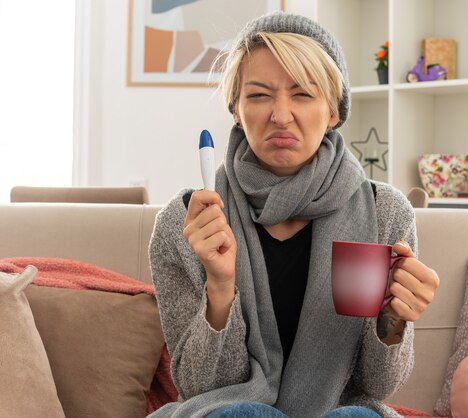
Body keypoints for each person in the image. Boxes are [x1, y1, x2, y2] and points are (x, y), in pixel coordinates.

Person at [148, 11, 440, 418]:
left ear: (334, 112)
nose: (281, 115)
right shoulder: (185, 224)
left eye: (303, 94)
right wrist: (220, 283)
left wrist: (392, 316)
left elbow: (375, 387)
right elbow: (202, 388)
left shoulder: (384, 213)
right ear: (235, 108)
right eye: (258, 95)